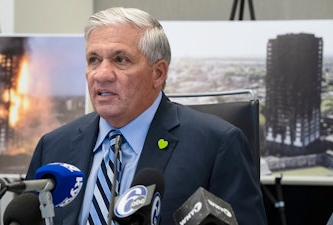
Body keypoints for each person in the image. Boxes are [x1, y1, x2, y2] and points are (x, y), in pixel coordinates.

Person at [26, 7, 267, 225]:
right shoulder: (54, 146)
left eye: (120, 60)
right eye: (94, 60)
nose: (101, 74)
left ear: (158, 73)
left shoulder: (217, 145)